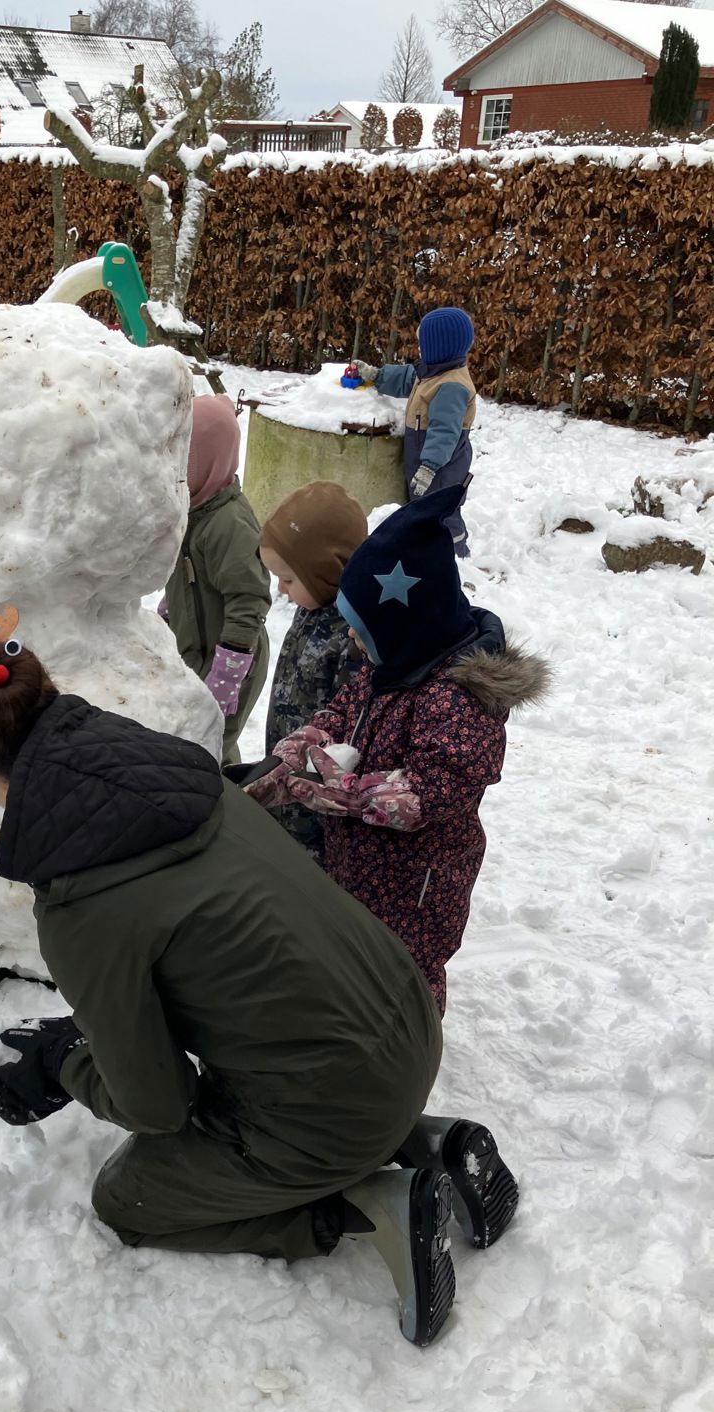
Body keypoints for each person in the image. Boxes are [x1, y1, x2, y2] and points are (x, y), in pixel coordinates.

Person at [0, 608, 520, 1348]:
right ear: (54, 698)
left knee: (126, 1199)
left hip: (341, 1100)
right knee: (294, 1053)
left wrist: (67, 1063)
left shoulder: (80, 901)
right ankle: (427, 1139)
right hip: (406, 1016)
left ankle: (373, 1203)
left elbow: (158, 1104)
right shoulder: (190, 786)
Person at [248, 485, 550, 1015]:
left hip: (417, 885)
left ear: (408, 626)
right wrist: (296, 752)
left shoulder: (456, 700)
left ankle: (408, 1059)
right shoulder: (390, 665)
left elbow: (429, 792)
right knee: (359, 962)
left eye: (364, 633)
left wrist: (340, 793)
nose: (353, 641)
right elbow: (340, 711)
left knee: (405, 978)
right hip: (361, 866)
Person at [257, 480, 367, 863]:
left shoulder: (352, 635)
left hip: (317, 794)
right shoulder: (313, 608)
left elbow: (349, 728)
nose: (280, 589)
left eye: (287, 578)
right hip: (288, 773)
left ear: (325, 572)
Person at [161, 394, 271, 763]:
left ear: (209, 462)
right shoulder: (195, 510)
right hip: (200, 650)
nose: (175, 472)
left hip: (234, 657)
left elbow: (249, 601)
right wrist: (167, 614)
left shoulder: (228, 524)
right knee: (205, 739)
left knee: (208, 747)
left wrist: (228, 675)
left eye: (184, 462)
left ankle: (226, 810)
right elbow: (185, 577)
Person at [355, 307, 477, 557]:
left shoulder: (452, 386)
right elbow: (407, 377)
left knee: (442, 510)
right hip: (427, 457)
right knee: (424, 508)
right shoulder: (434, 372)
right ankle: (425, 549)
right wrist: (376, 376)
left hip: (443, 466)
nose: (419, 349)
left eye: (424, 345)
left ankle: (455, 554)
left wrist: (430, 467)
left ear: (440, 348)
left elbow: (445, 431)